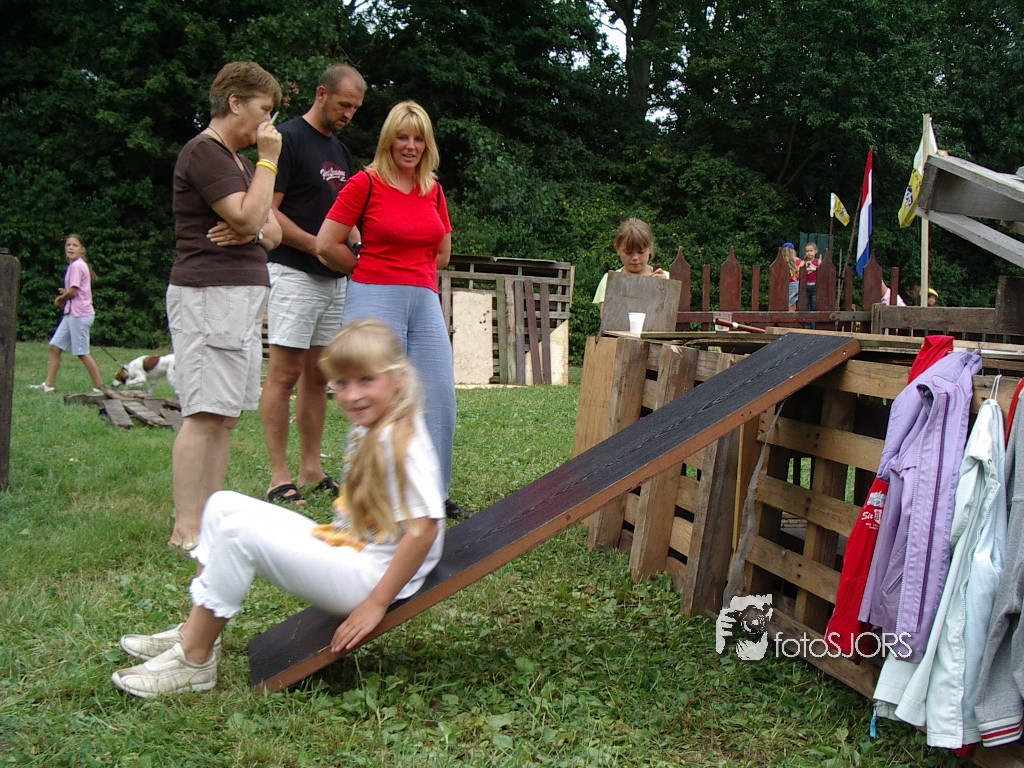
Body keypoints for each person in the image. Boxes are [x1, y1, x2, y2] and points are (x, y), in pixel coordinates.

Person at [111, 319, 446, 698]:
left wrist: (376, 603)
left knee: (238, 535)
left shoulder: (401, 442)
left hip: (374, 576)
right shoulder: (376, 423)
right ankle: (195, 631)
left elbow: (425, 529)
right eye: (341, 383)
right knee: (221, 505)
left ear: (399, 378)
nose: (352, 395)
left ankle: (195, 661)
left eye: (366, 380)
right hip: (353, 547)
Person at [316, 100, 459, 513]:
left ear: (427, 144)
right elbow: (326, 243)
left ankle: (433, 496)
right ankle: (364, 495)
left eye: (418, 139)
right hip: (374, 293)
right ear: (388, 140)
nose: (410, 146)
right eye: (402, 137)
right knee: (373, 395)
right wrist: (363, 269)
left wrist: (414, 270)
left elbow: (443, 254)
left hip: (423, 296)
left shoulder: (433, 190)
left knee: (438, 396)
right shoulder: (366, 183)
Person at [165, 61, 284, 553]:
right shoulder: (206, 153)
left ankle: (207, 520)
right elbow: (251, 215)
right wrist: (269, 163)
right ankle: (186, 526)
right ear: (235, 102)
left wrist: (250, 228)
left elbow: (272, 232)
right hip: (208, 295)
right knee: (204, 413)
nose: (268, 123)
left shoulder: (239, 163)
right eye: (264, 109)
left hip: (238, 299)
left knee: (226, 415)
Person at [261, 63, 367, 506]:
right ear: (321, 94)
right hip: (292, 272)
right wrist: (316, 246)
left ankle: (311, 468)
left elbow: (345, 214)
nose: (348, 114)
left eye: (355, 109)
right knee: (284, 373)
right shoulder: (287, 139)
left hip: (332, 279)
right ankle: (278, 476)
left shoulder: (340, 151)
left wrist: (356, 245)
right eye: (343, 105)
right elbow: (268, 209)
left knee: (318, 376)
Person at [28, 233, 106, 393]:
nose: (71, 248)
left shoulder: (77, 266)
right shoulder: (75, 265)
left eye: (75, 245)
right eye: (68, 245)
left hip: (80, 315)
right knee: (55, 346)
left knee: (82, 352)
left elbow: (73, 292)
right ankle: (48, 385)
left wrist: (61, 298)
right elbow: (76, 290)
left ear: (82, 249)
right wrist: (67, 292)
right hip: (72, 314)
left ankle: (100, 387)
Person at [592, 217, 668, 315]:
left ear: (650, 248)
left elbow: (672, 316)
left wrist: (667, 289)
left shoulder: (666, 278)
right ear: (617, 249)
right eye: (628, 252)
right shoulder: (609, 280)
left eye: (641, 252)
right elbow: (607, 318)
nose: (635, 258)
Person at [780, 242, 802, 311]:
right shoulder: (798, 260)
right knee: (793, 301)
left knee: (788, 302)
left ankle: (789, 315)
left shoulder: (782, 261)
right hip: (797, 283)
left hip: (788, 283)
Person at [802, 242, 821, 311]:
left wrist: (814, 268)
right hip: (805, 285)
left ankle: (814, 318)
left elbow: (821, 270)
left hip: (815, 285)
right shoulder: (803, 262)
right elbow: (799, 270)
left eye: (811, 251)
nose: (809, 253)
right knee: (805, 304)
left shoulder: (818, 261)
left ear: (816, 251)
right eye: (807, 251)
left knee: (814, 303)